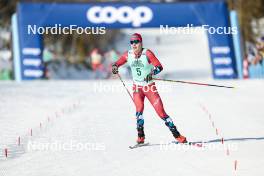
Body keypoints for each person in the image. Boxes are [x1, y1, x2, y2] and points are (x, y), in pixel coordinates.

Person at [112, 33, 187, 144]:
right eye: (132, 42)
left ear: (141, 42)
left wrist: (151, 73)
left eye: (136, 42)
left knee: (161, 113)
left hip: (149, 88)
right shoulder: (128, 54)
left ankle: (177, 135)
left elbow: (159, 67)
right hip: (137, 88)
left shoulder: (147, 53)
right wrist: (115, 66)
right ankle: (141, 137)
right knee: (139, 111)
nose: (134, 44)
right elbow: (117, 63)